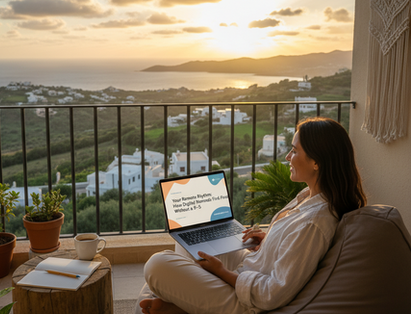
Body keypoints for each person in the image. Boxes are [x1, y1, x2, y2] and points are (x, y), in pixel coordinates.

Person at [136, 117, 367, 314]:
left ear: (316, 162)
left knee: (158, 264)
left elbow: (272, 293)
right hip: (252, 265)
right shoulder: (309, 197)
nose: (287, 156)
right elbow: (292, 252)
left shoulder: (314, 223)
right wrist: (269, 241)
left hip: (247, 302)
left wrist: (221, 272)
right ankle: (186, 300)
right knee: (190, 239)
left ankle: (182, 305)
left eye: (294, 151)